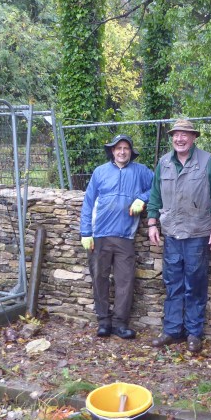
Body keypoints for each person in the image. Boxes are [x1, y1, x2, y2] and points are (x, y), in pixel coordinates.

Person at [146, 119, 211, 353]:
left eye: (184, 135)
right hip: (171, 233)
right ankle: (172, 330)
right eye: (176, 135)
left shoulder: (208, 162)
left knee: (195, 285)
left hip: (198, 233)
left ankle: (193, 333)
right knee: (172, 284)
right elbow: (155, 196)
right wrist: (152, 223)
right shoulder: (164, 163)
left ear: (193, 138)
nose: (179, 139)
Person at [80, 134, 154, 339]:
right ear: (112, 151)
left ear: (131, 152)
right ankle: (103, 321)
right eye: (118, 148)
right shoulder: (100, 172)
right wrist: (86, 232)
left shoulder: (141, 171)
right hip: (99, 235)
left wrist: (142, 198)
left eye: (126, 148)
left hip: (125, 236)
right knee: (99, 278)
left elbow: (158, 187)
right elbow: (88, 203)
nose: (122, 152)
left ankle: (120, 324)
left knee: (125, 281)